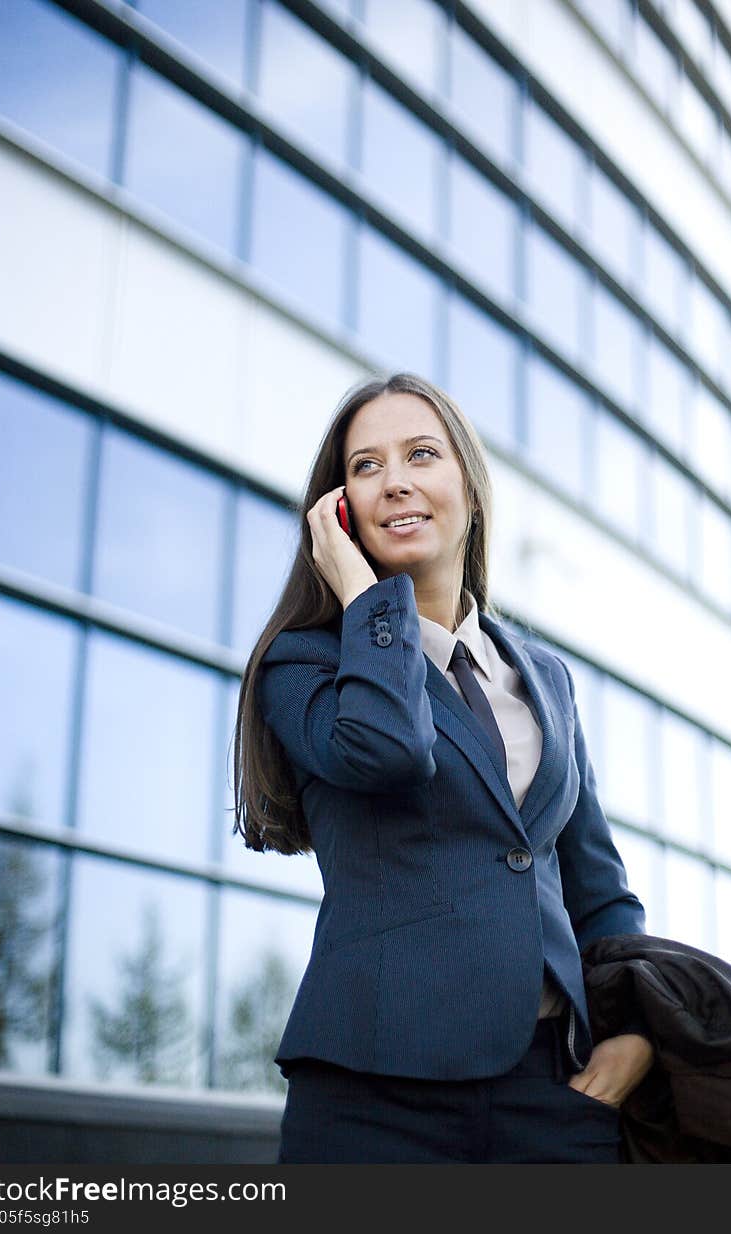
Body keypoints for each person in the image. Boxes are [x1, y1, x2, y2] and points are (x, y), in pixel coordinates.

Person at [232, 372, 654, 1163]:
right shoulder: (303, 665)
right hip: (371, 1094)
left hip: (555, 1093)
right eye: (365, 467)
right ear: (339, 509)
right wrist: (367, 600)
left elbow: (599, 889)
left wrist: (631, 1032)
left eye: (421, 454)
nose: (395, 481)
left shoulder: (547, 679)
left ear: (470, 484)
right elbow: (388, 747)